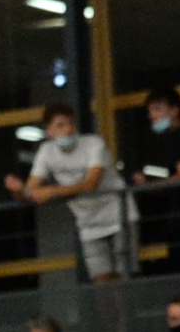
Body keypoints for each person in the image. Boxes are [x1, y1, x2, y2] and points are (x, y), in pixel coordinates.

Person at [11, 101, 134, 279]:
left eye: (71, 123)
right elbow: (31, 191)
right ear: (49, 132)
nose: (68, 129)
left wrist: (53, 191)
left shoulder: (94, 143)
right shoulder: (46, 151)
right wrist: (19, 190)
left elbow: (91, 184)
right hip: (87, 222)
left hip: (119, 214)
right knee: (101, 280)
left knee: (125, 276)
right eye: (60, 125)